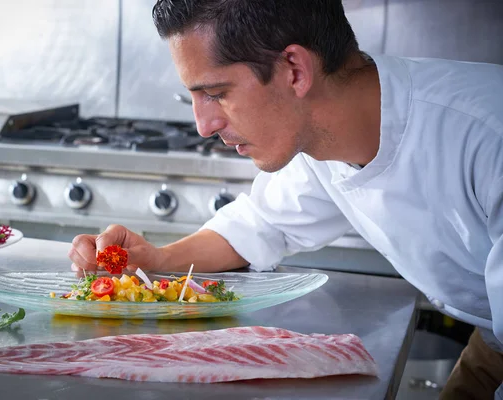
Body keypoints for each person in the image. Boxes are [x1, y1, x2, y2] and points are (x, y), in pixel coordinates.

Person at [68, 1, 503, 398]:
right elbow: (262, 224)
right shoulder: (319, 137)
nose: (203, 125)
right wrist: (156, 259)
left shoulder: (488, 136)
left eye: (216, 93)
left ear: (294, 69)